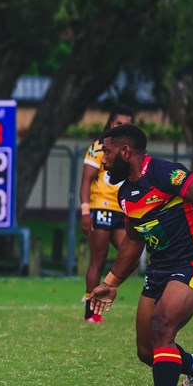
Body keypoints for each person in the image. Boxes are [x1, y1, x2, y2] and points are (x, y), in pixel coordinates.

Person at [89, 124, 193, 386]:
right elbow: (133, 241)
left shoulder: (165, 174)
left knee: (162, 326)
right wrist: (111, 282)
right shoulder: (126, 193)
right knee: (146, 350)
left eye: (108, 153)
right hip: (159, 271)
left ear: (126, 152)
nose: (103, 161)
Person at [80, 104, 134, 322]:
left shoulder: (130, 151)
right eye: (118, 123)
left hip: (122, 209)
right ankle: (90, 311)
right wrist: (85, 211)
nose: (121, 128)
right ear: (111, 123)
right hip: (101, 207)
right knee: (98, 260)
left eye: (126, 125)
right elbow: (86, 180)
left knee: (131, 256)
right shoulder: (99, 146)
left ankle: (105, 289)